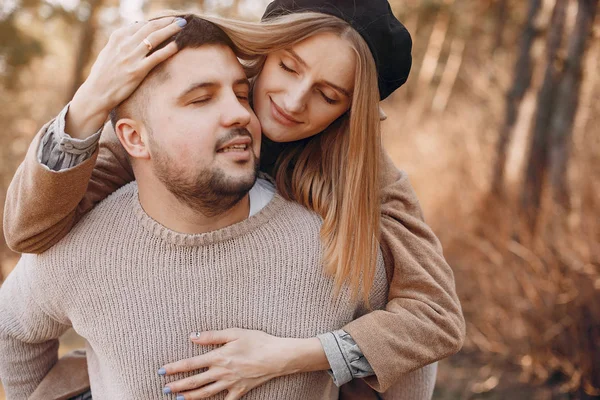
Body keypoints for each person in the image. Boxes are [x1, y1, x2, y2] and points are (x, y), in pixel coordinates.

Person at [3, 0, 465, 397]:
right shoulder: (176, 123)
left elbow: (432, 319)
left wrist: (296, 355)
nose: (295, 100)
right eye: (288, 67)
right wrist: (89, 102)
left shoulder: (365, 175)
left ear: (350, 110)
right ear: (263, 50)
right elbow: (29, 230)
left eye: (328, 95)